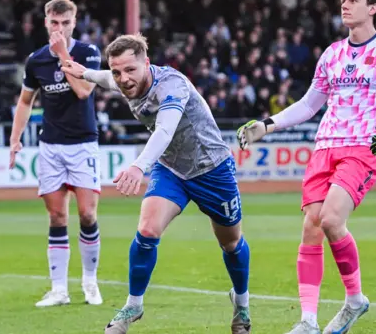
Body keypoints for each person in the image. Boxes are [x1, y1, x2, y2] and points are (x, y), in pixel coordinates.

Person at [237, 0, 376, 333]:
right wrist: (266, 126)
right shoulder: (332, 54)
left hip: (363, 146)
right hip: (325, 145)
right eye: (343, 0)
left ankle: (354, 299)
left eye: (353, 0)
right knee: (312, 228)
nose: (344, 5)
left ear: (373, 8)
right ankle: (308, 321)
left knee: (331, 219)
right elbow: (309, 105)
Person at [61, 33, 252, 334]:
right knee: (147, 229)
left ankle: (241, 303)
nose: (123, 79)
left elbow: (164, 131)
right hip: (172, 169)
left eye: (130, 70)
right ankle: (133, 304)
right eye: (117, 71)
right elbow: (104, 79)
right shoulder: (124, 81)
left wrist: (138, 166)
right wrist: (82, 72)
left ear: (146, 64)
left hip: (212, 169)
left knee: (230, 242)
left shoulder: (171, 86)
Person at [8, 0, 103, 307]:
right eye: (54, 23)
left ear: (73, 23)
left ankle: (90, 282)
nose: (59, 28)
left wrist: (63, 55)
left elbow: (83, 90)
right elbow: (25, 101)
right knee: (57, 215)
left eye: (65, 23)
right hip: (51, 145)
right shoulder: (36, 61)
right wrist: (15, 138)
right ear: (46, 22)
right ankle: (59, 289)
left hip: (83, 143)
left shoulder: (88, 53)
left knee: (87, 213)